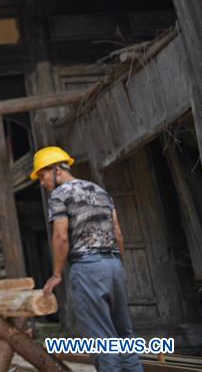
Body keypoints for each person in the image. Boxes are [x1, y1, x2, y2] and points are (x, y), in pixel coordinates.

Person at [33, 146, 141, 372]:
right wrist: (116, 265)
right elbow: (118, 234)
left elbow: (61, 237)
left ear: (57, 170)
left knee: (103, 339)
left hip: (88, 268)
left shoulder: (59, 196)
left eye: (43, 176)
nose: (42, 183)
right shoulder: (100, 191)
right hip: (113, 265)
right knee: (125, 336)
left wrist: (57, 274)